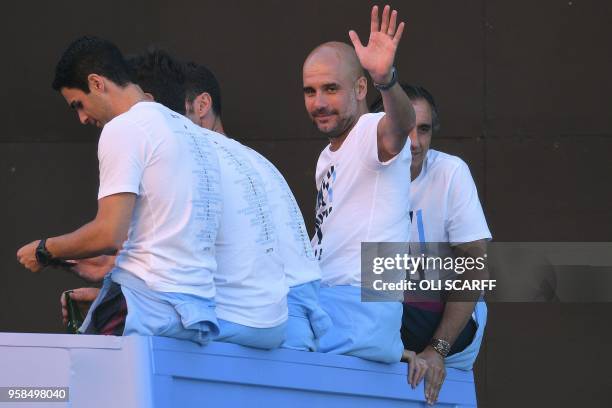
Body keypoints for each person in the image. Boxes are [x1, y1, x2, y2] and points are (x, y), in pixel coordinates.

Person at [17, 36, 223, 344]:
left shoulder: (124, 128)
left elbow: (108, 233)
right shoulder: (187, 130)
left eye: (78, 105)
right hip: (196, 312)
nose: (82, 118)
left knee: (65, 389)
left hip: (144, 303)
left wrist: (44, 250)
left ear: (97, 83)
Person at [302, 3, 427, 384]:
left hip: (357, 301)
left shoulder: (372, 130)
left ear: (360, 88)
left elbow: (400, 124)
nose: (319, 102)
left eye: (331, 89)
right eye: (310, 91)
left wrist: (386, 79)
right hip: (330, 302)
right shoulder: (326, 157)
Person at [371, 84, 492, 405]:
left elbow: (474, 267)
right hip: (387, 312)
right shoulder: (358, 172)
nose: (414, 142)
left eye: (423, 130)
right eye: (404, 129)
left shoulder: (450, 173)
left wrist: (437, 350)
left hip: (443, 320)